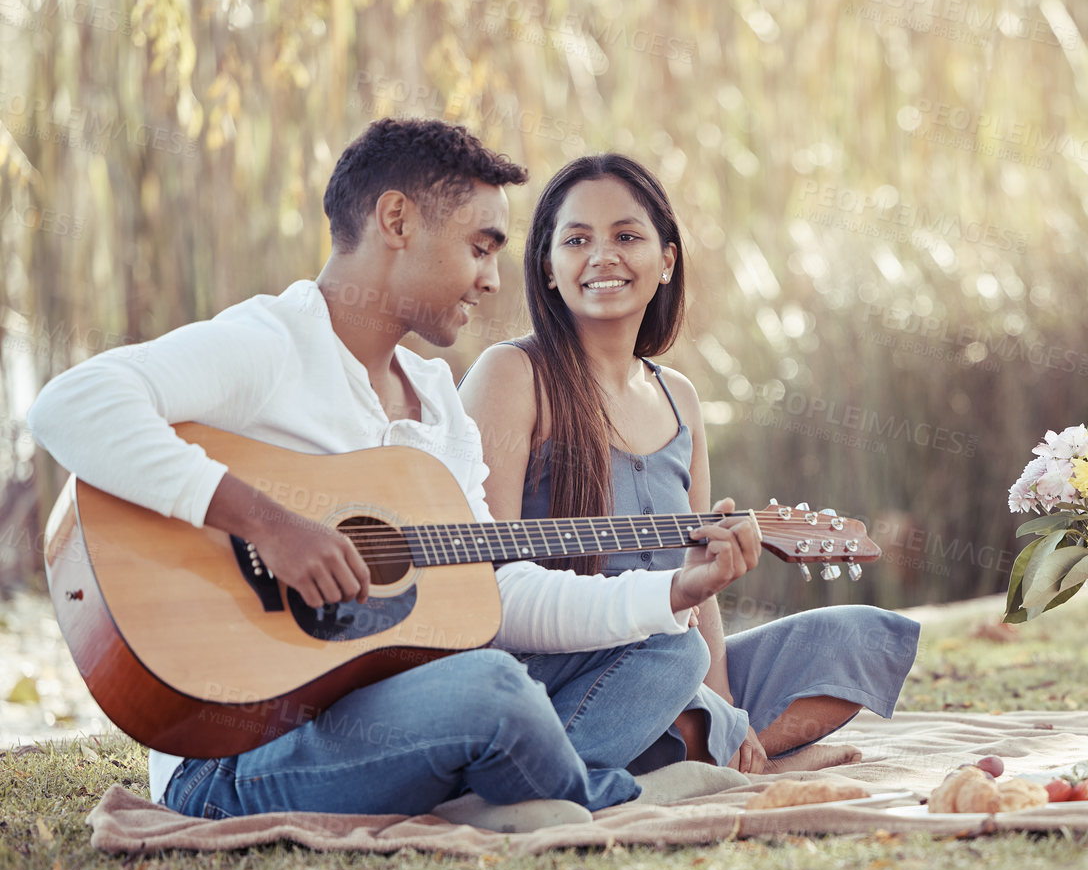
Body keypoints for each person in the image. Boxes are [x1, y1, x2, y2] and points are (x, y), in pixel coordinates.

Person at [26, 119, 761, 830]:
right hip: (239, 753)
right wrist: (271, 526)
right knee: (491, 690)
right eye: (479, 247)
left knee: (670, 649)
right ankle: (579, 791)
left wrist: (674, 589)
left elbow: (495, 593)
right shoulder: (272, 345)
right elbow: (70, 405)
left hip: (402, 713)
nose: (489, 279)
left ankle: (512, 787)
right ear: (397, 220)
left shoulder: (435, 399)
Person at [458, 154, 919, 775]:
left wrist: (723, 703)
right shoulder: (512, 375)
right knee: (668, 655)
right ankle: (689, 751)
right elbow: (485, 589)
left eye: (626, 236)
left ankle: (704, 744)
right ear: (547, 266)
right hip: (554, 673)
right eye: (576, 240)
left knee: (859, 634)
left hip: (673, 666)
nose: (603, 256)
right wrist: (698, 688)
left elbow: (700, 585)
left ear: (666, 259)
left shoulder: (680, 398)